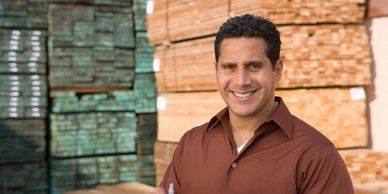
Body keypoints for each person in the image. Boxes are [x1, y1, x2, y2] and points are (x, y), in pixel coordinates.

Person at [150, 14, 354, 194]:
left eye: (253, 66)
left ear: (277, 70)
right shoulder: (191, 144)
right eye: (229, 67)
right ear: (217, 70)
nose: (241, 80)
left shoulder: (316, 156)